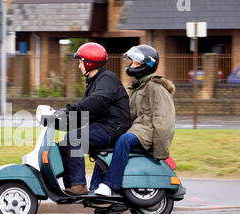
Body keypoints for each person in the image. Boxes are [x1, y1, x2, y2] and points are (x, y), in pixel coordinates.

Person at [93, 45, 176, 197]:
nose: (131, 65)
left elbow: (164, 120)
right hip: (137, 130)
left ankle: (110, 184)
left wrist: (161, 150)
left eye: (135, 63)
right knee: (105, 143)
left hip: (147, 131)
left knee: (124, 140)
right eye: (131, 62)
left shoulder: (155, 87)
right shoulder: (138, 87)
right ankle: (95, 186)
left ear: (147, 64)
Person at [57, 42, 131, 196]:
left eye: (80, 62)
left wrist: (68, 110)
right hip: (103, 125)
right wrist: (57, 121)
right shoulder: (95, 81)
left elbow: (96, 103)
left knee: (74, 138)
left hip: (113, 128)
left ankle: (79, 185)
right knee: (64, 143)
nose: (79, 66)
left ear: (89, 63)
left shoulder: (107, 79)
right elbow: (86, 113)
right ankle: (71, 186)